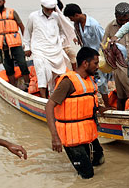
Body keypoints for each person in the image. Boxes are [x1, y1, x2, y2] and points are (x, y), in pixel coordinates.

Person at [45, 47, 105, 179]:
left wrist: (99, 107)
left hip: (87, 133)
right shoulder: (68, 82)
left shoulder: (89, 80)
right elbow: (49, 106)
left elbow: (86, 100)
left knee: (100, 161)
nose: (98, 66)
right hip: (72, 138)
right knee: (87, 176)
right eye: (95, 63)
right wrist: (55, 137)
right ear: (85, 63)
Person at [23, 0, 71, 98]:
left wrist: (61, 41)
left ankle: (54, 96)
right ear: (42, 7)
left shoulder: (56, 17)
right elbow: (27, 33)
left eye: (52, 9)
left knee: (56, 75)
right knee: (41, 74)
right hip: (39, 50)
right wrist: (27, 47)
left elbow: (63, 31)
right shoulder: (33, 16)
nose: (50, 11)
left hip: (55, 50)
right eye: (47, 9)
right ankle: (44, 98)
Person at [63, 3, 111, 106]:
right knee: (88, 78)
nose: (71, 20)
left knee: (101, 82)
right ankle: (92, 101)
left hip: (97, 57)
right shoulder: (78, 25)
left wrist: (105, 57)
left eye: (71, 18)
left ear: (76, 15)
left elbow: (104, 40)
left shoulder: (94, 25)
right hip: (86, 56)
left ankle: (107, 104)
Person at [0, 0, 30, 90]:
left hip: (15, 43)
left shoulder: (12, 12)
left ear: (4, 2)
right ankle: (13, 87)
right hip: (3, 46)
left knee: (22, 63)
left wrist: (27, 43)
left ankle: (27, 84)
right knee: (8, 67)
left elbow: (22, 26)